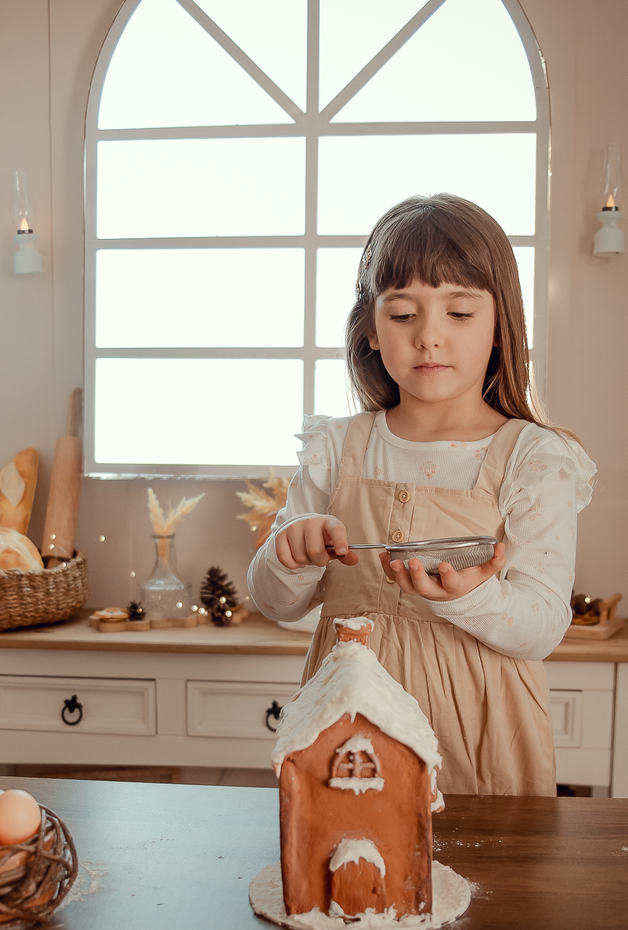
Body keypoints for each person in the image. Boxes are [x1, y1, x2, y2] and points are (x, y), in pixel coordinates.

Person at [248, 194, 595, 797]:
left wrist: (472, 596)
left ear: (499, 326)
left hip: (480, 734)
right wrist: (288, 555)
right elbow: (275, 603)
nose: (430, 337)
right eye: (404, 315)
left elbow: (541, 626)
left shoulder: (534, 459)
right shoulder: (336, 447)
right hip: (350, 731)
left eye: (459, 312)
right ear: (371, 330)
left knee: (493, 888)